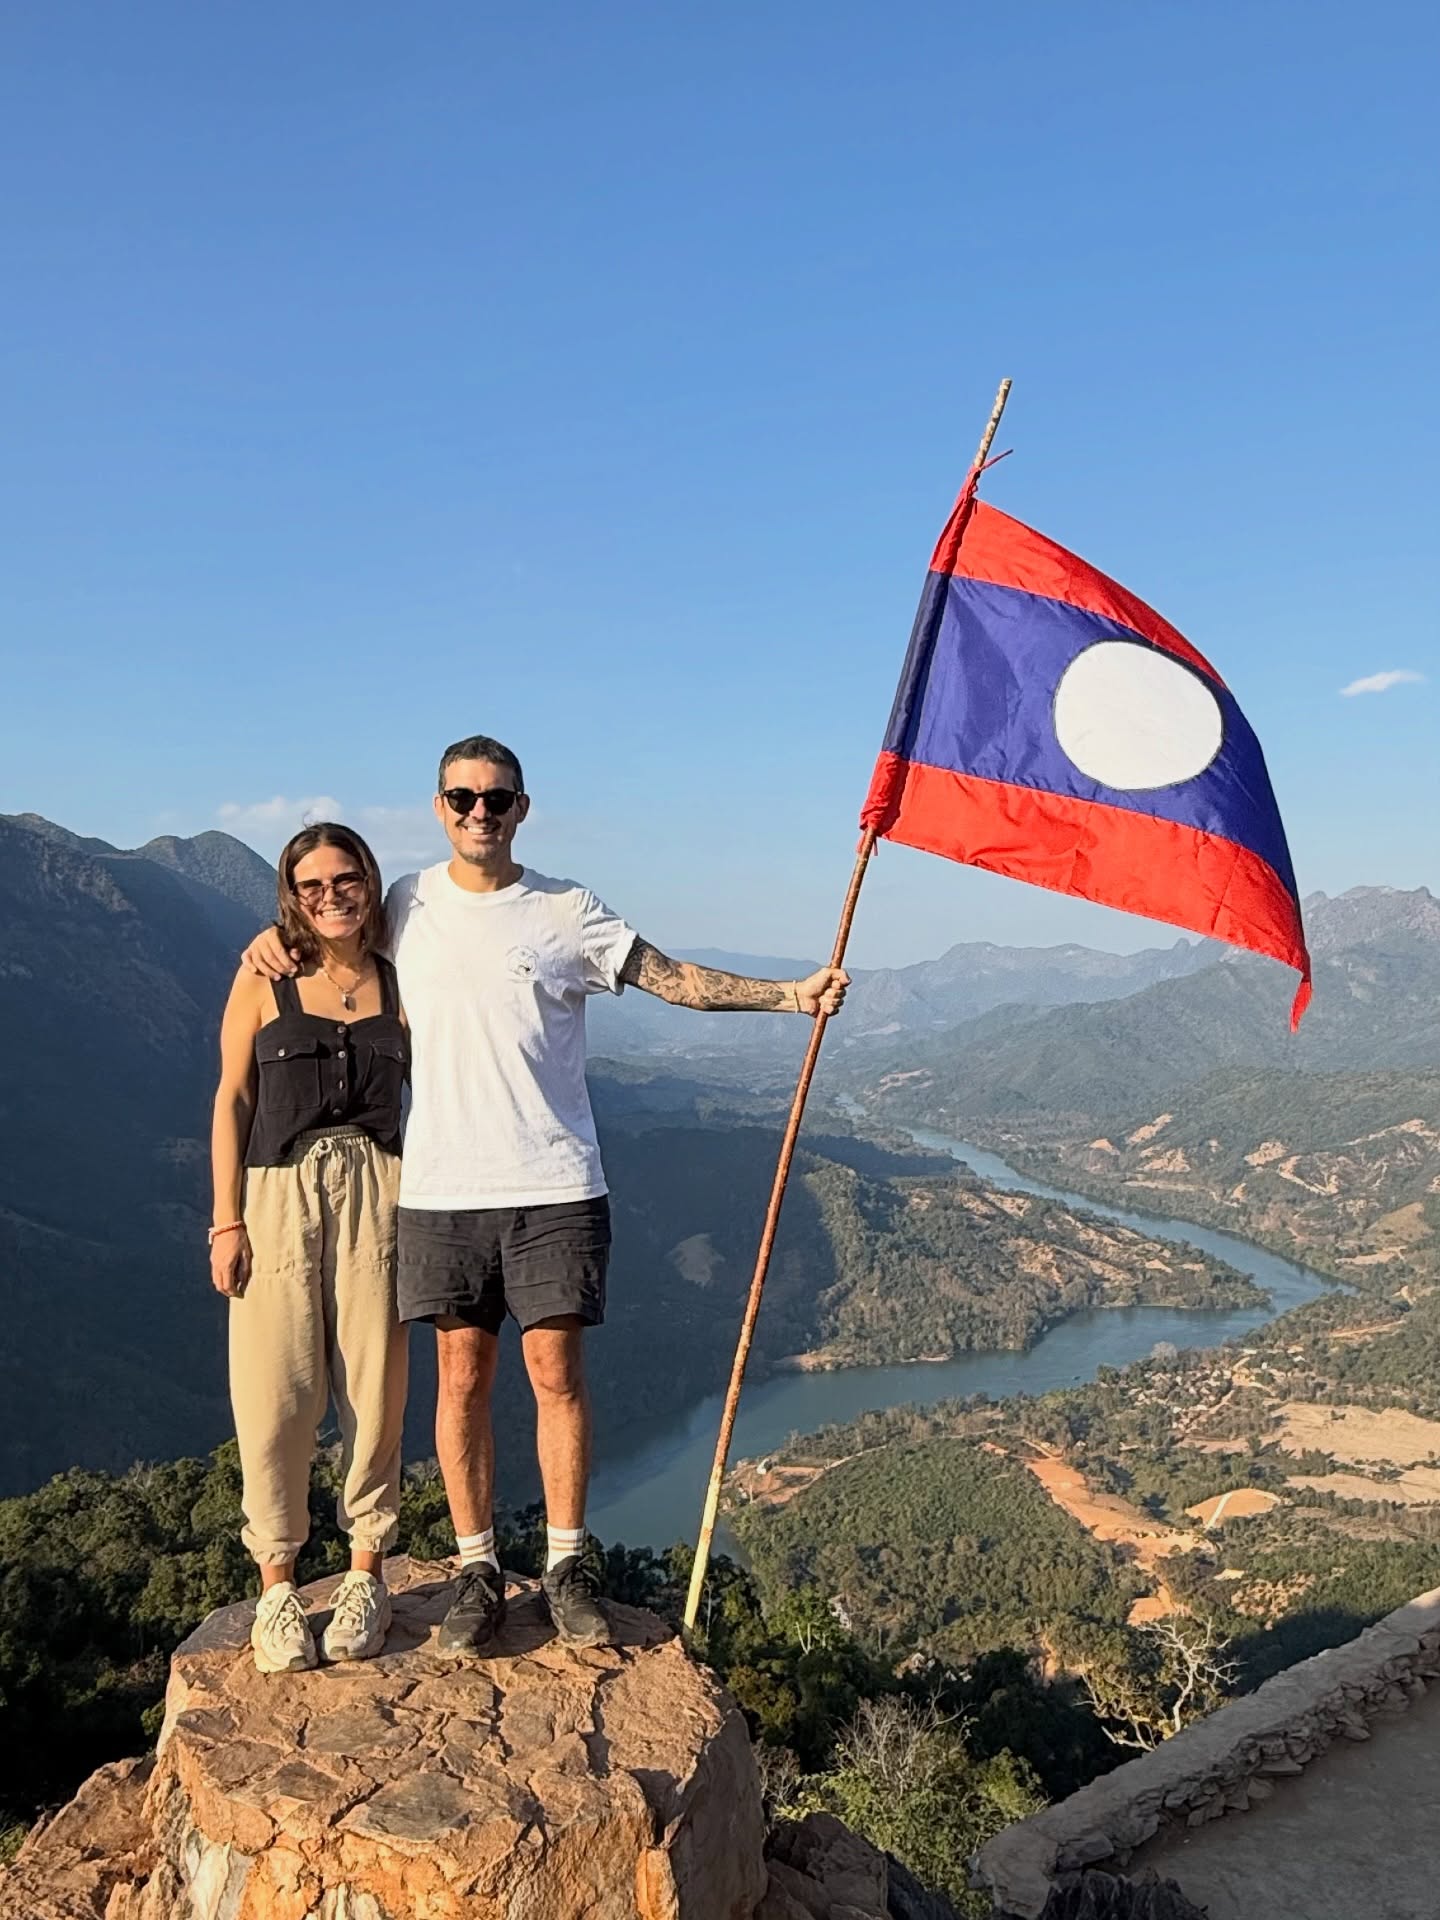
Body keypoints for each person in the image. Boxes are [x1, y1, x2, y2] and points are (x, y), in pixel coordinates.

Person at [242, 736, 847, 1656]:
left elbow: (672, 978)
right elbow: (327, 932)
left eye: (497, 798)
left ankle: (566, 1568)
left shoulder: (567, 909)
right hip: (442, 1189)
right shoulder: (406, 904)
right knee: (461, 1381)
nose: (479, 813)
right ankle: (477, 1570)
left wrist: (791, 997)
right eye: (462, 798)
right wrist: (272, 940)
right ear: (439, 808)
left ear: (522, 808)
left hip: (555, 1185)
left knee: (557, 1377)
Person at [212, 823, 410, 1673]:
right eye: (312, 884)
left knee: (375, 1385)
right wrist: (225, 1220)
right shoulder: (263, 976)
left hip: (381, 1189)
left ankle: (366, 1575)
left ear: (369, 880)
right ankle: (278, 1589)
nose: (331, 896)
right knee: (275, 1393)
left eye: (345, 878)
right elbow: (232, 1097)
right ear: (291, 895)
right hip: (277, 1191)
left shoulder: (399, 975)